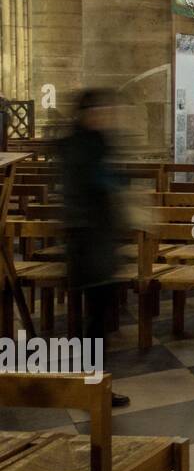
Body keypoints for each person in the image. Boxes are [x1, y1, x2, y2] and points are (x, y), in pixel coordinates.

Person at [59, 90, 131, 407]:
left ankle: (93, 383)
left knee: (98, 318)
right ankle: (92, 386)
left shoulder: (84, 142)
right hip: (90, 243)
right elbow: (101, 182)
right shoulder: (85, 146)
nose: (109, 116)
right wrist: (120, 181)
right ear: (90, 112)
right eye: (104, 110)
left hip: (93, 240)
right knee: (95, 320)